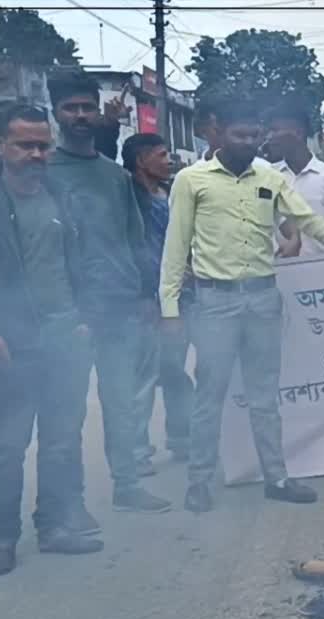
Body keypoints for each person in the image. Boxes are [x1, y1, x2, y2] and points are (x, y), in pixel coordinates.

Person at [161, 101, 324, 513]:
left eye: (253, 136)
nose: (247, 143)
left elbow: (307, 220)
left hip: (262, 298)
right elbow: (176, 246)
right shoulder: (191, 180)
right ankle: (200, 481)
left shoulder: (269, 178)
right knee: (211, 395)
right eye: (238, 135)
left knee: (264, 396)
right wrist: (169, 307)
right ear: (218, 132)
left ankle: (276, 477)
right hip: (214, 299)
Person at [0, 104, 104, 577]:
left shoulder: (61, 196)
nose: (35, 153)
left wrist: (85, 318)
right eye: (24, 144)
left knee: (62, 438)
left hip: (66, 336)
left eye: (42, 145)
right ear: (1, 146)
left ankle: (55, 526)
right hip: (12, 344)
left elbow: (83, 262)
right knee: (7, 444)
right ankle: (4, 537)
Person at [46, 72, 172, 518]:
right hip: (67, 314)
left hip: (119, 308)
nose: (80, 116)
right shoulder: (43, 172)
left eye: (86, 107)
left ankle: (127, 485)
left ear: (96, 111)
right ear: (56, 112)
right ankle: (68, 504)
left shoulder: (115, 177)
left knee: (123, 402)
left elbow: (134, 237)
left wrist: (144, 295)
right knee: (66, 414)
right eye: (71, 108)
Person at [123, 133, 195, 477]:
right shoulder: (129, 199)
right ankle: (135, 451)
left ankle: (182, 439)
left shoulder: (168, 195)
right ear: (141, 161)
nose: (169, 161)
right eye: (162, 155)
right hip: (147, 300)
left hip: (178, 296)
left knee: (175, 371)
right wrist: (143, 294)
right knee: (142, 377)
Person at [267, 103, 324, 258]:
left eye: (275, 130)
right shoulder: (267, 176)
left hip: (321, 272)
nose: (269, 137)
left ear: (298, 132)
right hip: (277, 271)